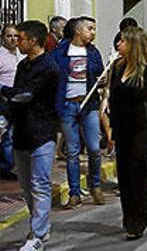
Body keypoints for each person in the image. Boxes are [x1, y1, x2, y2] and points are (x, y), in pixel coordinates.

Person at [106, 27, 147, 240]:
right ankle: (128, 218)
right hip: (122, 127)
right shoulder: (116, 67)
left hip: (145, 127)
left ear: (133, 44)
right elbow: (112, 96)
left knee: (139, 173)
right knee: (123, 175)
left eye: (122, 41)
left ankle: (138, 221)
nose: (118, 45)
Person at [6, 21, 60, 251]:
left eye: (20, 38)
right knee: (27, 187)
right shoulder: (23, 66)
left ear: (33, 40)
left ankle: (37, 234)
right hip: (21, 132)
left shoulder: (49, 67)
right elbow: (15, 99)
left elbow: (25, 95)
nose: (16, 42)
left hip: (42, 133)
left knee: (40, 185)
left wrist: (2, 91)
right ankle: (41, 226)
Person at [50, 16, 106, 208]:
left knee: (94, 148)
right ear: (78, 31)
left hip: (88, 105)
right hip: (67, 106)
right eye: (90, 28)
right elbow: (52, 76)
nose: (93, 32)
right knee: (72, 152)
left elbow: (100, 72)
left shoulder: (93, 52)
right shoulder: (60, 52)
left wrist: (102, 80)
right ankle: (75, 193)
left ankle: (95, 185)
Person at [0, 24, 23, 180]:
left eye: (16, 36)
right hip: (4, 101)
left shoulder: (22, 54)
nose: (13, 39)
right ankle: (6, 167)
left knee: (16, 134)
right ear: (3, 38)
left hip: (21, 101)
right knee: (6, 135)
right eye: (9, 36)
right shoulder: (1, 55)